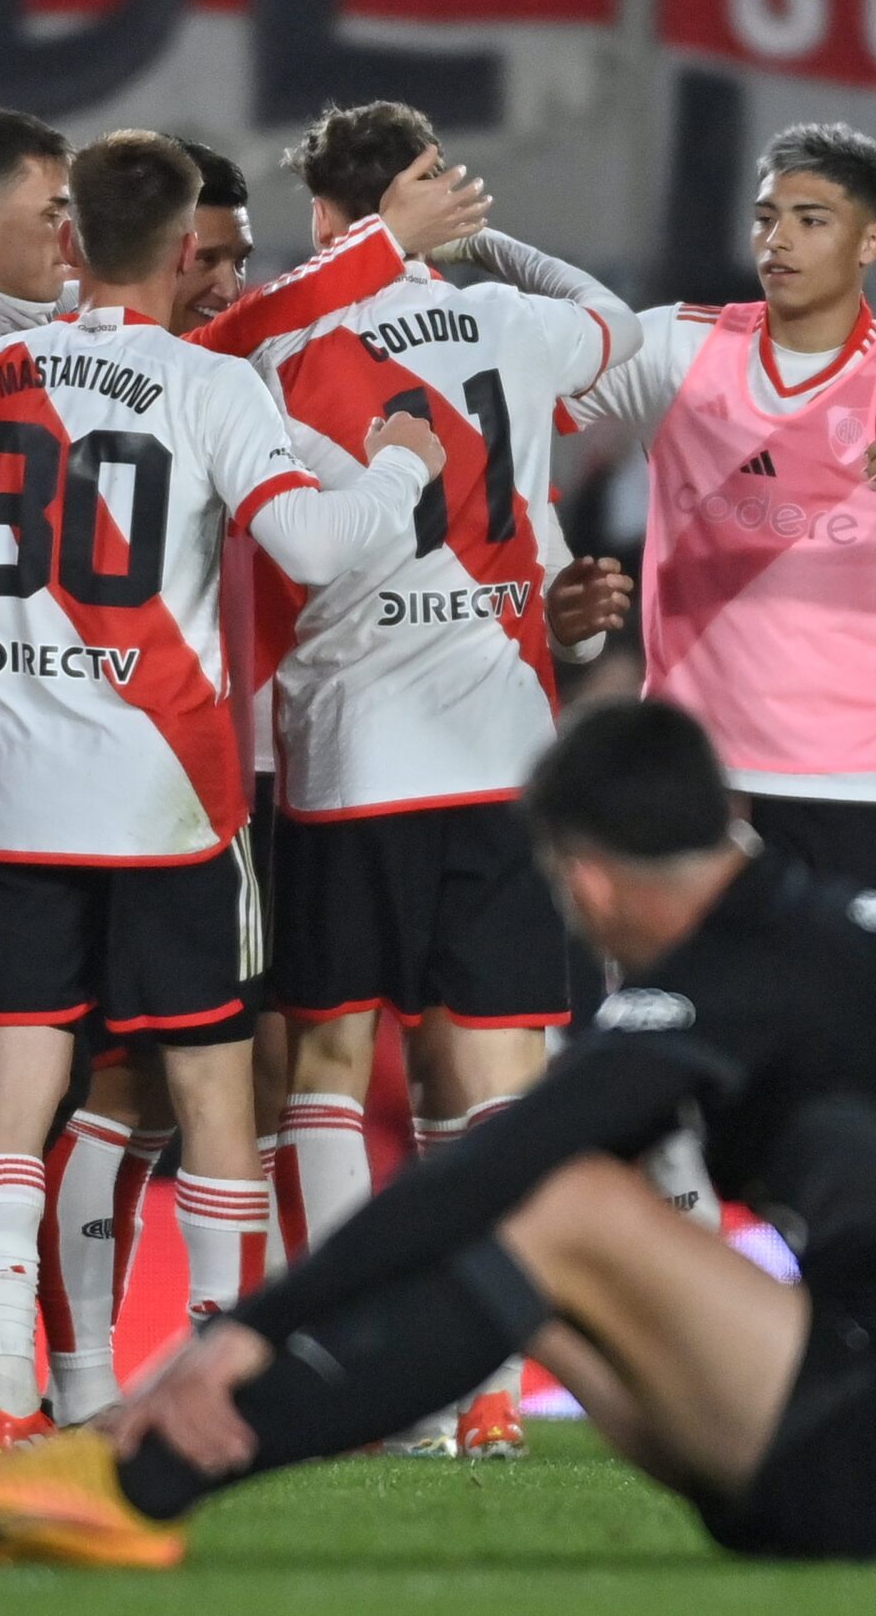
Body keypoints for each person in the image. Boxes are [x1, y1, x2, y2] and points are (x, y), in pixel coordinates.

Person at [0, 700, 876, 1568]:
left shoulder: (741, 975)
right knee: (533, 1255)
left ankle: (130, 1479)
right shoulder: (805, 935)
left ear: (588, 880)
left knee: (553, 1205)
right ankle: (133, 1473)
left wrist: (247, 1332)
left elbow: (502, 1163)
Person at [0, 118, 485, 1454]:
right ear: (178, 248)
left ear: (69, 238)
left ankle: (4, 1393)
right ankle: (218, 1385)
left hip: (11, 802)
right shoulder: (213, 391)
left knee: (17, 1083)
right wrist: (404, 458)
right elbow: (321, 544)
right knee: (215, 1091)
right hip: (168, 803)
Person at [233, 98, 641, 1458]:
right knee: (495, 1090)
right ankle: (486, 1390)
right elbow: (619, 324)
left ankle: (370, 1378)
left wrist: (380, 246)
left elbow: (233, 333)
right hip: (505, 751)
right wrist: (494, 246)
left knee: (329, 1069)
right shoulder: (513, 325)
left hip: (353, 752)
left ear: (317, 218)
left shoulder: (292, 329)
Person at [556, 123, 876, 946]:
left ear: (871, 239)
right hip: (697, 785)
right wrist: (545, 571)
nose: (778, 240)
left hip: (851, 780)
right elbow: (523, 404)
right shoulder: (679, 345)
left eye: (811, 219)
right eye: (765, 217)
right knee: (686, 1053)